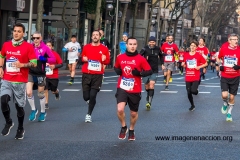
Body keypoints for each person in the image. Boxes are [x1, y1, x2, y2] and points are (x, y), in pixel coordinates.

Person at [0, 23, 37, 139]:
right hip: (7, 79)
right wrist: (1, 67)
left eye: (19, 31)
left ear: (23, 33)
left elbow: (34, 63)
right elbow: (1, 56)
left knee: (19, 107)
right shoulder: (6, 45)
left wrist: (22, 64)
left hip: (20, 81)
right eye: (14, 31)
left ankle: (20, 127)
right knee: (3, 100)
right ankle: (9, 122)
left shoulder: (28, 47)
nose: (16, 33)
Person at [114, 37, 152, 141]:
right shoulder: (120, 57)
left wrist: (139, 73)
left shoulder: (141, 58)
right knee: (120, 109)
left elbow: (149, 71)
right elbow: (116, 66)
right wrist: (117, 70)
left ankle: (131, 129)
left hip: (135, 89)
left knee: (133, 113)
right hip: (122, 87)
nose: (132, 46)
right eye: (130, 44)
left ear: (136, 46)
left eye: (134, 44)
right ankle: (123, 127)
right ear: (126, 45)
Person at [81, 30, 110, 122]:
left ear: (100, 37)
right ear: (91, 37)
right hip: (87, 74)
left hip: (97, 75)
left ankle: (88, 114)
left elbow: (107, 61)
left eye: (97, 35)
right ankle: (90, 102)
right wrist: (84, 58)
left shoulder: (104, 49)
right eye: (93, 35)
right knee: (86, 96)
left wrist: (104, 59)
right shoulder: (86, 47)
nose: (95, 36)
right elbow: (82, 58)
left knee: (93, 95)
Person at [27, 31, 56, 122]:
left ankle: (43, 112)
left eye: (37, 38)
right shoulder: (29, 47)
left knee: (40, 94)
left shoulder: (45, 48)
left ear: (41, 38)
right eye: (33, 38)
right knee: (28, 92)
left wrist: (44, 59)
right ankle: (33, 110)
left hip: (40, 73)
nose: (35, 40)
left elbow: (53, 59)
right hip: (30, 72)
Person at [217, 33, 240, 122]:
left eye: (237, 39)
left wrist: (239, 67)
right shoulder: (224, 48)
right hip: (225, 75)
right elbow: (218, 58)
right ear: (229, 41)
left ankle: (229, 113)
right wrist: (220, 65)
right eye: (234, 39)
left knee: (232, 98)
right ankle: (225, 103)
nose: (236, 41)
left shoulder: (239, 50)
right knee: (224, 95)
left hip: (235, 76)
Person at [182, 41, 207, 111]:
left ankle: (196, 91)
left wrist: (199, 67)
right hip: (188, 76)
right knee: (188, 92)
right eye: (191, 45)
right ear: (190, 46)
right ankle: (192, 105)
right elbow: (184, 63)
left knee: (193, 91)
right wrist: (183, 64)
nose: (192, 47)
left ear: (196, 47)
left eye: (194, 46)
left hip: (195, 76)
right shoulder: (186, 54)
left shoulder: (198, 55)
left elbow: (205, 63)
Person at [140, 36, 163, 110]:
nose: (152, 43)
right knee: (147, 86)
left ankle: (149, 102)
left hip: (154, 70)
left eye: (153, 42)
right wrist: (143, 59)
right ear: (148, 42)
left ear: (155, 42)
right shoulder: (144, 49)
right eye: (150, 42)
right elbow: (139, 57)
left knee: (152, 85)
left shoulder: (158, 49)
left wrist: (162, 64)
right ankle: (148, 94)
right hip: (145, 70)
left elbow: (161, 56)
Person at [45, 41, 63, 109]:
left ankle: (56, 92)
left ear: (52, 47)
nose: (48, 47)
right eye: (46, 45)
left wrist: (54, 66)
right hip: (45, 75)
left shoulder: (55, 54)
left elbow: (61, 64)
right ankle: (46, 103)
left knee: (53, 90)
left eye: (49, 45)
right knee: (45, 89)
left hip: (54, 76)